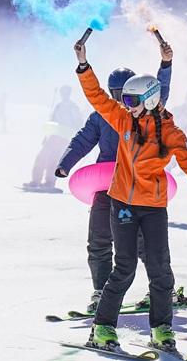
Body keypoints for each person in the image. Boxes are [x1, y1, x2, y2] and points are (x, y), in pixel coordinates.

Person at [73, 38, 187, 352]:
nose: (126, 104)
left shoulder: (169, 131)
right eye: (124, 99)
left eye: (132, 99)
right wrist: (84, 65)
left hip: (153, 207)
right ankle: (102, 328)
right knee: (124, 268)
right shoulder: (124, 119)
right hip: (122, 204)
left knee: (161, 270)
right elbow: (97, 97)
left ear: (150, 99)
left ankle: (162, 329)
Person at [55, 45, 174, 313]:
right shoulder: (102, 116)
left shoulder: (147, 112)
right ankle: (100, 291)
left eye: (127, 92)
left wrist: (165, 65)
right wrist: (65, 164)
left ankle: (162, 288)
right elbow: (82, 140)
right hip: (106, 185)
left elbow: (161, 91)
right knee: (99, 237)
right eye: (116, 93)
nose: (122, 98)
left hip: (136, 186)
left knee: (143, 241)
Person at [25, 86, 83, 191]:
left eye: (66, 93)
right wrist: (46, 136)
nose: (64, 95)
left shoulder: (73, 107)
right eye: (62, 93)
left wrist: (74, 136)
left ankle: (49, 182)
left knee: (53, 159)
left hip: (63, 137)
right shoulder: (58, 106)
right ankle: (36, 181)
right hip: (53, 135)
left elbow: (78, 123)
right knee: (42, 156)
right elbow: (52, 121)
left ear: (69, 94)